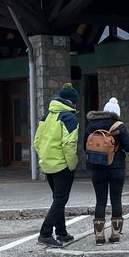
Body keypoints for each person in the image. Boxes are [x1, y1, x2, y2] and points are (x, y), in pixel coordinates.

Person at [34, 84, 80, 248]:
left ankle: (61, 233)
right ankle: (45, 233)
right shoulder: (69, 118)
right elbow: (69, 144)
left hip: (47, 164)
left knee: (57, 199)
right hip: (62, 165)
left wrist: (44, 157)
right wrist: (72, 164)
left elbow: (37, 142)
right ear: (73, 103)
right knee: (61, 199)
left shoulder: (46, 116)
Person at [85, 97, 129, 244]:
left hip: (97, 168)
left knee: (100, 201)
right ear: (117, 113)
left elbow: (84, 146)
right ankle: (115, 235)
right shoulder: (119, 125)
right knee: (116, 199)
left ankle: (99, 236)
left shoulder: (91, 125)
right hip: (116, 168)